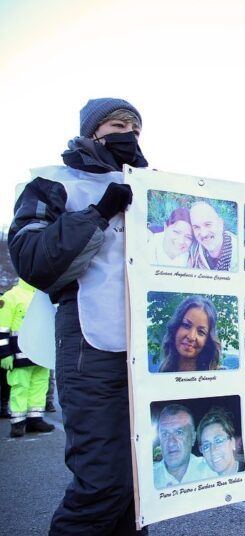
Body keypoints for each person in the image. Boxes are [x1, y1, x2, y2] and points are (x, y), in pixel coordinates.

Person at [8, 98, 148, 534]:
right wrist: (98, 213)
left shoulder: (150, 187)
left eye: (136, 129)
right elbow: (32, 260)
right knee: (103, 483)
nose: (129, 135)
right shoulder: (53, 183)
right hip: (91, 346)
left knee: (143, 487)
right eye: (118, 125)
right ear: (92, 133)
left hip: (149, 353)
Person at [0, 279, 54, 437]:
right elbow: (2, 328)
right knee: (20, 387)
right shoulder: (11, 296)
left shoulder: (44, 296)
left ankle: (35, 420)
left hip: (41, 354)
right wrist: (4, 353)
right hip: (19, 354)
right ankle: (18, 423)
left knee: (40, 386)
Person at [153, 404, 217, 488]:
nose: (171, 442)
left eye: (179, 432)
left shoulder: (212, 470)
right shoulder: (147, 478)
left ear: (193, 438)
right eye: (165, 434)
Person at [158, 295, 222, 372]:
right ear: (175, 327)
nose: (191, 337)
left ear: (208, 340)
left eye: (201, 332)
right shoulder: (163, 372)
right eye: (186, 325)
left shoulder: (220, 376)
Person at [188, 201, 238, 271]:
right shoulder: (192, 254)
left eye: (208, 224)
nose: (203, 234)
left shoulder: (242, 257)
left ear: (220, 224)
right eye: (196, 227)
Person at [197, 407, 244, 476]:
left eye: (218, 441)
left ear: (232, 443)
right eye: (206, 446)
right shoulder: (204, 479)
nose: (213, 451)